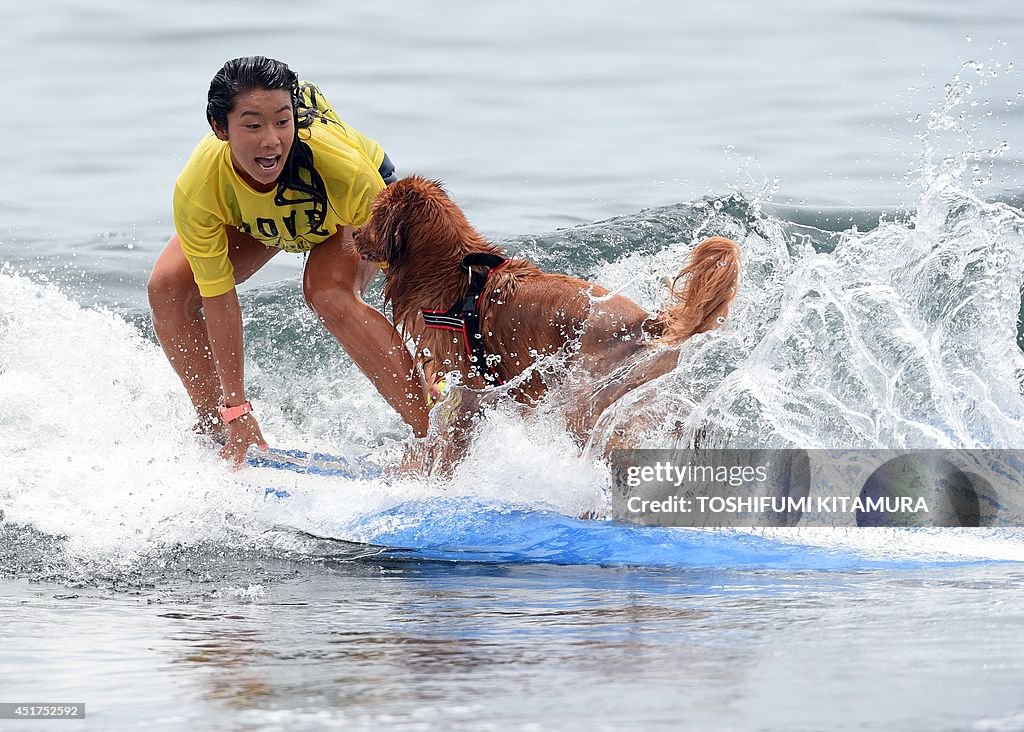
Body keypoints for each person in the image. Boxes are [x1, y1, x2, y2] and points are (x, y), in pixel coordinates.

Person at [147, 56, 430, 466]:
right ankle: (221, 430)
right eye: (252, 125)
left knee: (327, 292)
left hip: (343, 212)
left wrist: (438, 369)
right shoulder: (199, 188)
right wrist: (236, 408)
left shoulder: (342, 170)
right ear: (219, 128)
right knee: (168, 287)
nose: (272, 140)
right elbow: (219, 297)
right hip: (268, 219)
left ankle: (435, 434)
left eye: (283, 121)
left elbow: (410, 281)